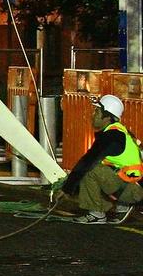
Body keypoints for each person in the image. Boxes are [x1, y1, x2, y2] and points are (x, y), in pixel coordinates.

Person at [60, 94, 143, 224]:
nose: (93, 114)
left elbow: (87, 161)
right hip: (133, 186)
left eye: (97, 111)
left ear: (107, 117)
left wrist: (67, 188)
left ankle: (98, 213)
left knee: (91, 170)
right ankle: (121, 206)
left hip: (133, 190)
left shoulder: (111, 136)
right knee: (100, 168)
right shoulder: (119, 131)